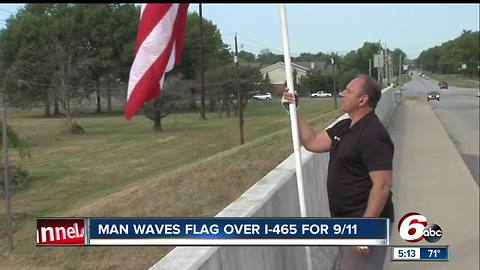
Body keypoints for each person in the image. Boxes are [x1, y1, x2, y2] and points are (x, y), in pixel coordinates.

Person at [283, 75, 394, 270]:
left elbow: (383, 186)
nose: (343, 93)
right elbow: (312, 142)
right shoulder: (344, 127)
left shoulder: (373, 134)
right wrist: (294, 111)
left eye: (349, 91)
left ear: (363, 100)